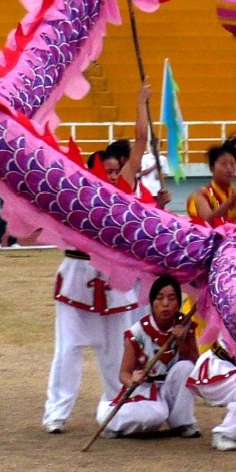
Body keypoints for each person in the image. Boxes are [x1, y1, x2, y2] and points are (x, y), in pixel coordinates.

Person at [41, 83, 167, 434]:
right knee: (67, 350)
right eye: (105, 170)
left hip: (115, 284)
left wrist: (141, 102)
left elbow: (140, 143)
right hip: (78, 280)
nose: (111, 175)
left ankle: (117, 408)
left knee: (116, 353)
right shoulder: (75, 196)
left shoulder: (123, 190)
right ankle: (56, 414)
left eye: (115, 170)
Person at [97, 275, 200, 438]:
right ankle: (112, 420)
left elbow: (194, 362)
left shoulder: (184, 325)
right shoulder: (137, 332)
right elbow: (123, 373)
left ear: (178, 303)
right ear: (152, 302)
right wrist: (132, 381)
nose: (165, 304)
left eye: (172, 299)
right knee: (155, 416)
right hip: (144, 389)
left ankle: (182, 422)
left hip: (169, 387)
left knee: (186, 367)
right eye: (160, 298)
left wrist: (182, 340)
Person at [187, 137, 236, 230]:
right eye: (223, 164)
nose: (229, 169)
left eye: (232, 164)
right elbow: (207, 222)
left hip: (233, 242)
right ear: (212, 168)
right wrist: (231, 200)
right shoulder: (201, 195)